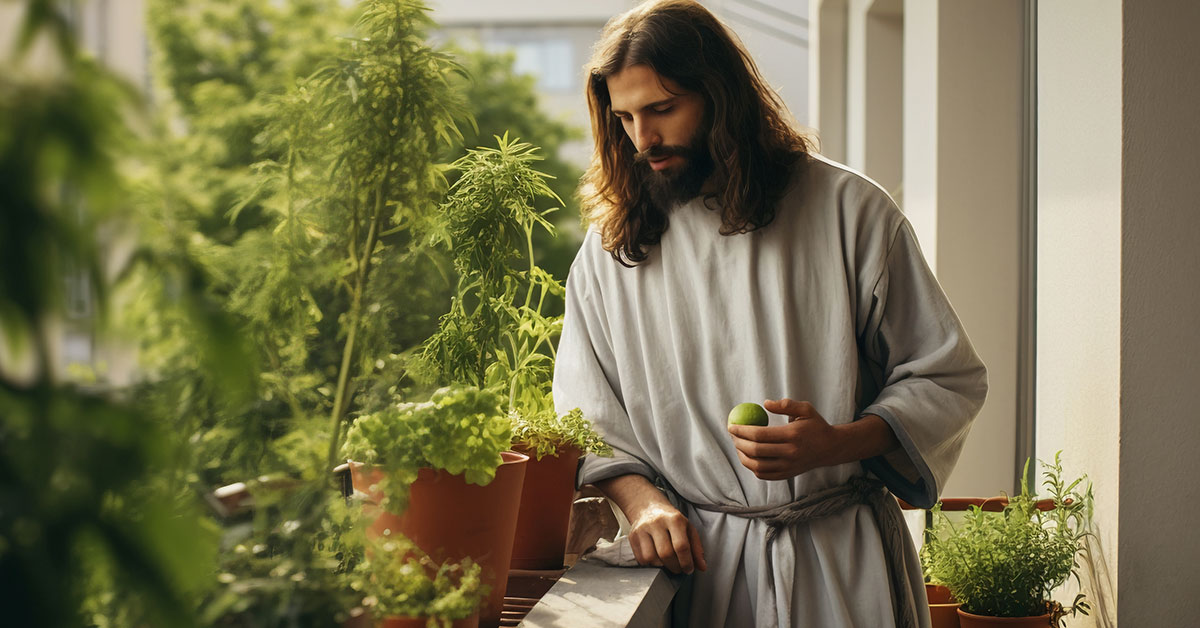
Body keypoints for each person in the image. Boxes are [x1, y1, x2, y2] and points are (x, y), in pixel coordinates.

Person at [551, 1, 988, 626]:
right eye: (624, 117)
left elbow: (947, 377)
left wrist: (836, 444)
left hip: (839, 559)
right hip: (698, 571)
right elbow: (584, 413)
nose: (642, 139)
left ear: (720, 96)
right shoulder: (612, 250)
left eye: (662, 109)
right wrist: (642, 502)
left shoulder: (848, 212)